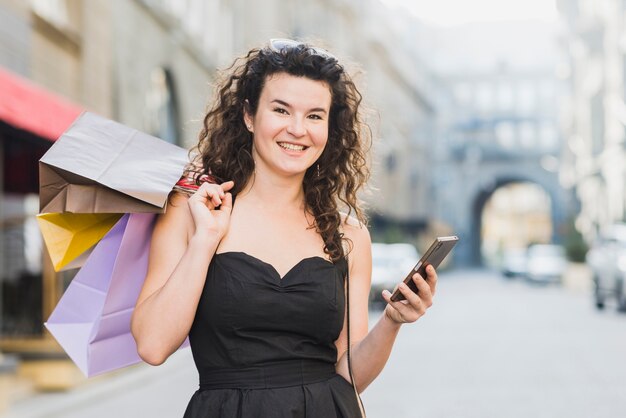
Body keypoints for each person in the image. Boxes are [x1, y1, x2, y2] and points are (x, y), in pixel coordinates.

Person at [130, 39, 438, 418]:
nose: (297, 130)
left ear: (330, 127)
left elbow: (351, 374)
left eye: (314, 116)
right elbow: (152, 345)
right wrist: (205, 241)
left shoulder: (348, 235)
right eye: (280, 110)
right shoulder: (194, 211)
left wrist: (391, 321)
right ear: (248, 115)